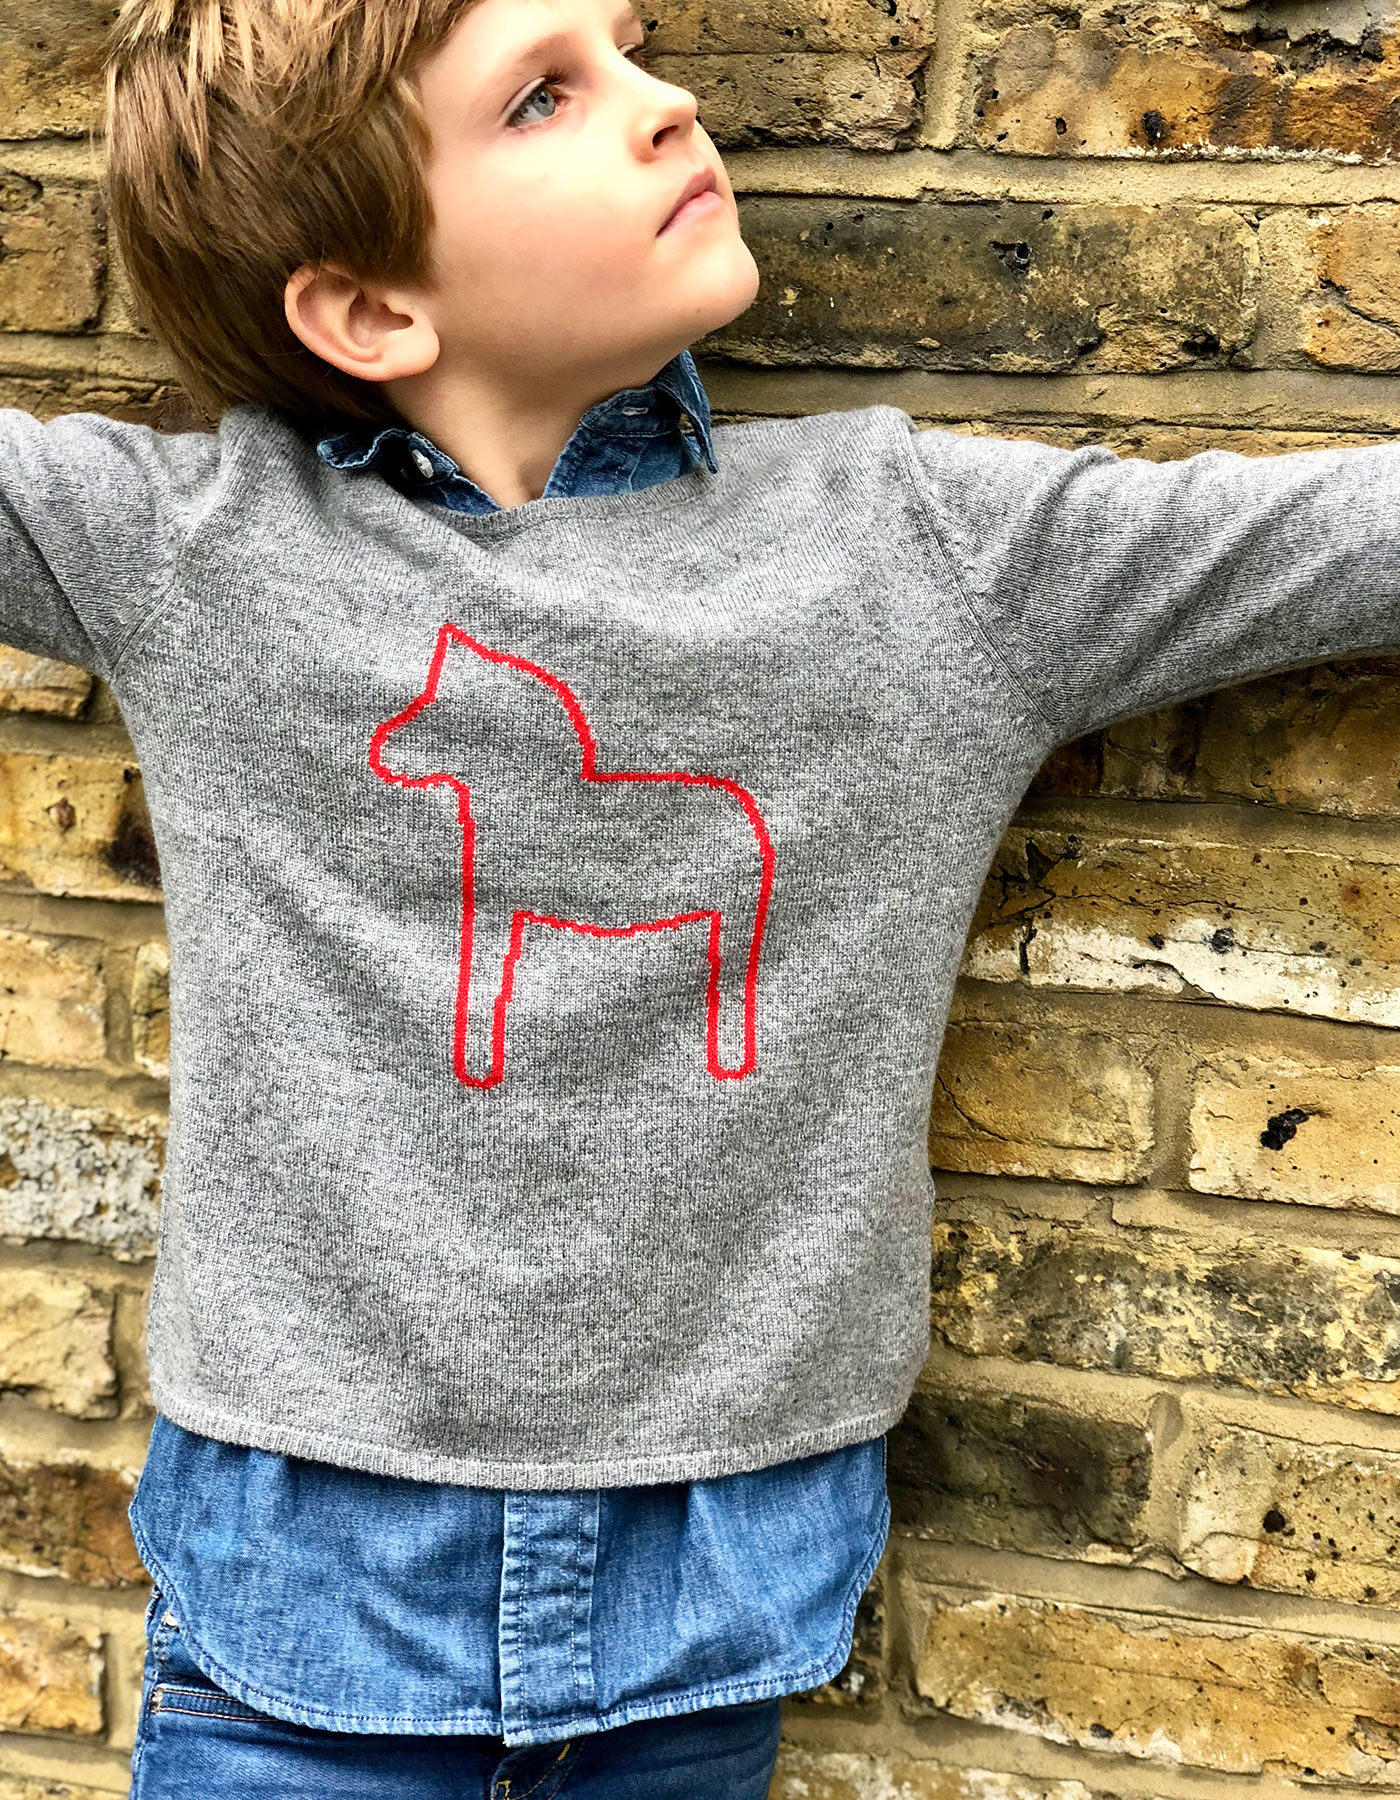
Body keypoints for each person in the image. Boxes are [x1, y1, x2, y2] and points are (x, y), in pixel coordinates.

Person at [1, 0, 1395, 1793]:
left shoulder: (923, 556)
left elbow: (1334, 539)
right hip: (297, 1610)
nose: (666, 107)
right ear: (368, 309)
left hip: (710, 1619)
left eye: (638, 47)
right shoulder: (191, 553)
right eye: (544, 95)